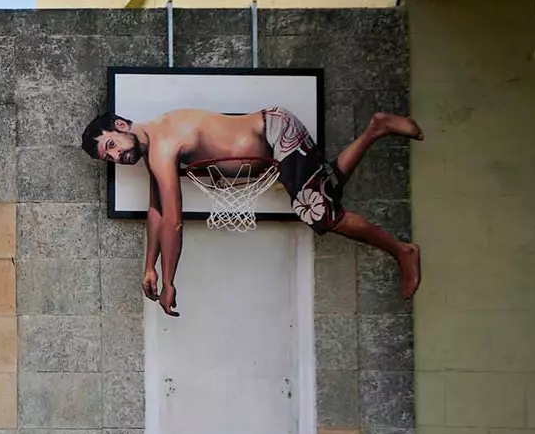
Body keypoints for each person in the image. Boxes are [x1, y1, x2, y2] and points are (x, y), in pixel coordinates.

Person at [80, 105, 423, 317]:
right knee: (326, 188)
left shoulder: (163, 145)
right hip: (274, 131)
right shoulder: (155, 142)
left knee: (318, 213)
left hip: (273, 132)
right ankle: (376, 128)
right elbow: (155, 212)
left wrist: (169, 281)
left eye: (111, 145)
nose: (117, 157)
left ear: (122, 125)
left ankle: (401, 250)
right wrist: (148, 268)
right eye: (108, 158)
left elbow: (173, 220)